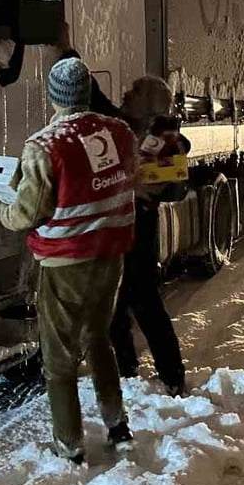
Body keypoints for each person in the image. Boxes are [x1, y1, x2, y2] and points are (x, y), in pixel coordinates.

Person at [0, 57, 138, 463]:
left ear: (52, 95)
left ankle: (70, 445)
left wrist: (6, 208)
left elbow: (27, 212)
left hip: (66, 263)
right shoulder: (119, 132)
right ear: (89, 90)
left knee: (59, 358)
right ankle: (118, 426)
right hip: (110, 257)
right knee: (98, 339)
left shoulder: (44, 145)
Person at [108, 78, 189, 396]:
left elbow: (165, 186)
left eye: (136, 91)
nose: (126, 92)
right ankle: (126, 370)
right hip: (120, 226)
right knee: (116, 304)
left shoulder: (167, 140)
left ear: (153, 105)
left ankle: (173, 377)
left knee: (146, 305)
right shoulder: (127, 126)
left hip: (139, 230)